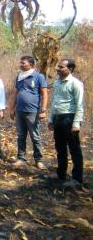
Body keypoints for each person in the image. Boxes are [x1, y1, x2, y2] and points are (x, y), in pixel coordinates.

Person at [48, 59, 84, 188]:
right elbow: (54, 102)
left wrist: (76, 123)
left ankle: (77, 178)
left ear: (70, 69)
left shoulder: (75, 84)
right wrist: (51, 119)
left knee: (74, 149)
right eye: (58, 67)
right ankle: (61, 174)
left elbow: (80, 105)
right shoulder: (57, 83)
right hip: (58, 118)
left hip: (70, 118)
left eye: (61, 67)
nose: (58, 69)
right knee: (60, 148)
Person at [10, 56, 48, 169]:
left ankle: (38, 160)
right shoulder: (19, 76)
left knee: (35, 136)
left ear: (31, 65)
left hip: (32, 111)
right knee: (21, 135)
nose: (21, 65)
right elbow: (16, 93)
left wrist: (43, 110)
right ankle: (21, 158)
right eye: (20, 63)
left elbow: (44, 94)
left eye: (23, 63)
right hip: (20, 111)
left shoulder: (38, 76)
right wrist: (12, 108)